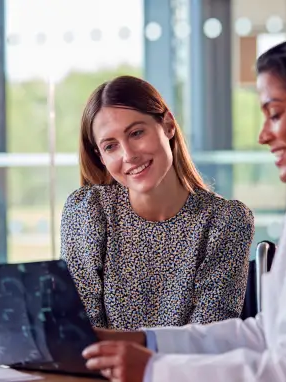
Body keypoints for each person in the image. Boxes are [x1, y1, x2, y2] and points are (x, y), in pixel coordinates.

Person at [82, 32, 286, 382]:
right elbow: (266, 333)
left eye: (275, 114)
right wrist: (146, 341)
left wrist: (152, 370)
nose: (263, 135)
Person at [60, 75, 255, 331]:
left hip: (186, 371)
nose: (128, 155)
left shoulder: (226, 221)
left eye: (137, 133)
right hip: (100, 372)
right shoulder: (88, 211)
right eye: (111, 146)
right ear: (101, 156)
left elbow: (207, 340)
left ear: (168, 125)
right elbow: (78, 335)